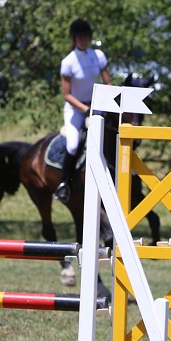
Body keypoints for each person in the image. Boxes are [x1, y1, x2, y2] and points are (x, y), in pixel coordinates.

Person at [55, 18, 111, 204]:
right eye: (79, 37)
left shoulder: (98, 56)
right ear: (74, 39)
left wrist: (109, 101)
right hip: (75, 109)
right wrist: (85, 109)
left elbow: (107, 82)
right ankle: (64, 184)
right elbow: (66, 94)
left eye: (86, 37)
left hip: (96, 105)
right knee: (73, 144)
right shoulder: (68, 62)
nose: (83, 40)